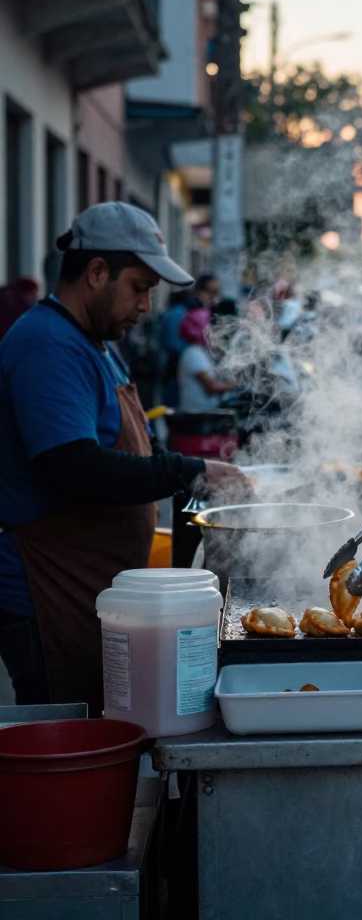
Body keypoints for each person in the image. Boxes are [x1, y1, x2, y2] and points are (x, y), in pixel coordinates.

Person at [0, 202, 248, 715]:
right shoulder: (47, 345)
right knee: (66, 746)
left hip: (92, 586)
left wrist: (192, 474)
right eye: (139, 287)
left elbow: (143, 449)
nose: (146, 306)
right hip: (47, 593)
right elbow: (75, 468)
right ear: (96, 273)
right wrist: (191, 470)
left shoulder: (99, 345)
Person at [177, 307, 236, 412]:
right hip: (196, 415)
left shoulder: (201, 351)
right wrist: (234, 384)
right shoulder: (193, 353)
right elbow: (211, 387)